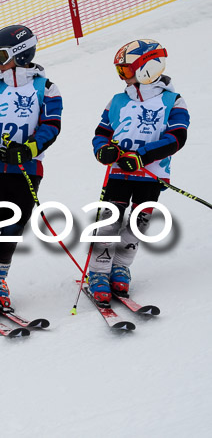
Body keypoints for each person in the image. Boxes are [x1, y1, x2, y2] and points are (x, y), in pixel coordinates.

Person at [0, 25, 63, 315]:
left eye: (1, 55)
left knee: (14, 226)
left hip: (27, 168)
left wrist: (28, 149)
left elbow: (52, 125)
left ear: (20, 54)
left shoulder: (45, 88)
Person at [87, 39, 189, 305]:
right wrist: (103, 150)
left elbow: (177, 137)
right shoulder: (118, 100)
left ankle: (121, 265)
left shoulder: (173, 101)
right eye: (120, 72)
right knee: (110, 220)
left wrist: (143, 156)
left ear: (147, 68)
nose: (123, 77)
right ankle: (99, 271)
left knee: (139, 222)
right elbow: (102, 133)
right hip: (119, 173)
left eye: (126, 70)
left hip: (151, 174)